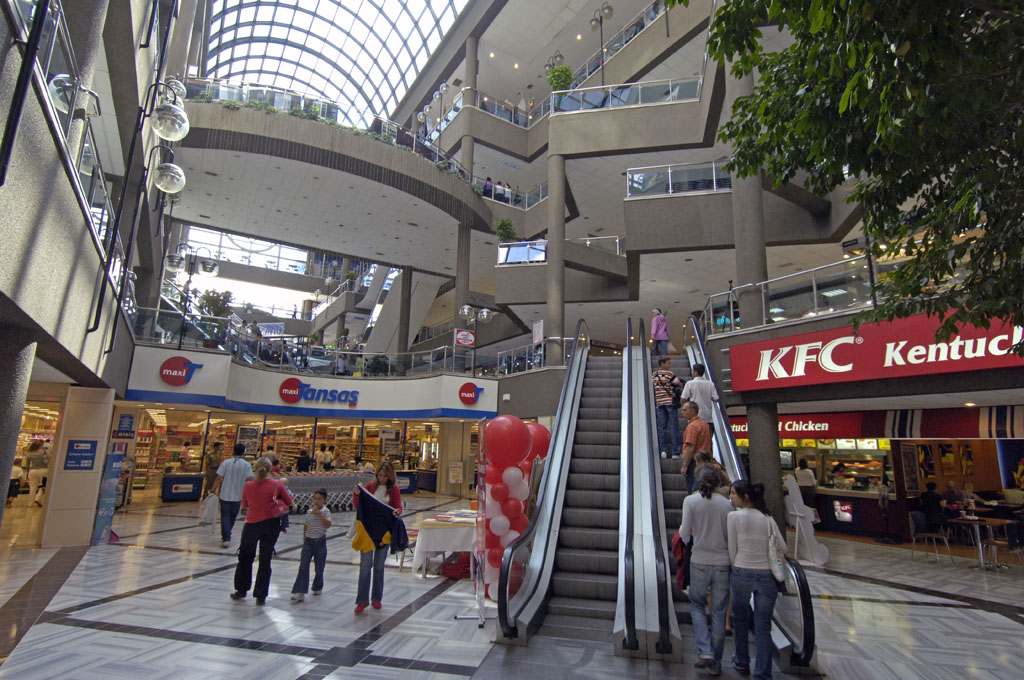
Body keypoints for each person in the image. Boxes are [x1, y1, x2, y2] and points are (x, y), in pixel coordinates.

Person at [728, 480, 787, 679]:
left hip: (742, 572)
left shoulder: (734, 517)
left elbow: (732, 549)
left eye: (733, 493)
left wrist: (736, 566)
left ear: (745, 497)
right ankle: (762, 672)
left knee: (740, 619)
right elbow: (783, 548)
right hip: (766, 575)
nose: (730, 497)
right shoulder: (768, 519)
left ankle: (742, 660)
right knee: (763, 626)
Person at [681, 466, 733, 675]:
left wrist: (690, 544)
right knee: (719, 612)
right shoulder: (727, 505)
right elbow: (731, 535)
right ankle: (716, 663)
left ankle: (705, 649)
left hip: (699, 559)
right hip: (722, 562)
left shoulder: (691, 501)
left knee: (697, 606)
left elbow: (684, 532)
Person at [230, 457, 293, 605]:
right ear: (271, 469)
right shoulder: (277, 484)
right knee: (265, 559)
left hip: (252, 524)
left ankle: (241, 589)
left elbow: (245, 505)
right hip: (271, 524)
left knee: (245, 557)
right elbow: (289, 502)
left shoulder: (248, 486)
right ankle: (261, 594)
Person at [352, 461, 402, 613]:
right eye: (380, 475)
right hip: (368, 531)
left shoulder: (394, 490)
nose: (382, 478)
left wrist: (397, 512)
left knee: (379, 567)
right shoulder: (370, 486)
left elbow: (398, 506)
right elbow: (359, 505)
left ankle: (376, 598)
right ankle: (362, 600)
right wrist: (356, 494)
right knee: (365, 567)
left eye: (385, 476)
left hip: (384, 533)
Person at [291, 488, 332, 602]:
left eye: (319, 499)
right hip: (309, 542)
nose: (316, 501)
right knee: (303, 566)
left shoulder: (326, 511)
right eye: (315, 498)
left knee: (319, 567)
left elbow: (327, 525)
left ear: (325, 500)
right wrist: (304, 538)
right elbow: (306, 525)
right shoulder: (309, 512)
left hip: (320, 543)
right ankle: (300, 591)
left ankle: (317, 586)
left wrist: (320, 515)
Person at [214, 443, 255, 548]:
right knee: (232, 516)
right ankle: (227, 535)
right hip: (238, 495)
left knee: (225, 515)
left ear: (233, 451)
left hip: (224, 494)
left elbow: (218, 477)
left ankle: (226, 536)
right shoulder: (246, 464)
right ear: (243, 452)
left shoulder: (226, 463)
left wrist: (213, 489)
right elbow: (250, 478)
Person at [652, 357, 682, 458]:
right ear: (662, 363)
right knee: (673, 426)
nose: (670, 365)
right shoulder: (670, 374)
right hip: (670, 402)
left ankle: (663, 451)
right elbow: (679, 384)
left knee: (662, 427)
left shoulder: (654, 374)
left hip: (659, 403)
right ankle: (675, 452)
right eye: (668, 363)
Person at [681, 400, 712, 492]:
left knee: (693, 490)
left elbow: (691, 447)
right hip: (705, 460)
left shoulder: (692, 427)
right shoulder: (705, 425)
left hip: (694, 461)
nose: (682, 412)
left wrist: (685, 465)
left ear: (693, 411)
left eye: (685, 410)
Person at [681, 364, 719, 433]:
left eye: (692, 370)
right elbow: (716, 399)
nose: (692, 372)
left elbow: (683, 399)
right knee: (707, 438)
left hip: (695, 417)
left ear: (696, 372)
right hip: (708, 417)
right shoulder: (710, 384)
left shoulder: (690, 383)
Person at [24, 440, 48, 506]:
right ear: (40, 446)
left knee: (32, 488)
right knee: (43, 486)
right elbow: (46, 462)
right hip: (43, 470)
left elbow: (27, 465)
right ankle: (37, 498)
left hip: (32, 471)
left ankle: (30, 503)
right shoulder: (43, 452)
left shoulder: (29, 454)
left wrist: (27, 474)